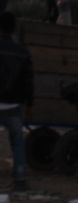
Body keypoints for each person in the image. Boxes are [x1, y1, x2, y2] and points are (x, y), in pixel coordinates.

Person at [0, 12, 33, 192]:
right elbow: (28, 81)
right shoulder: (22, 52)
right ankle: (20, 178)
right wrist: (30, 104)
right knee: (17, 142)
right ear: (13, 28)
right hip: (14, 104)